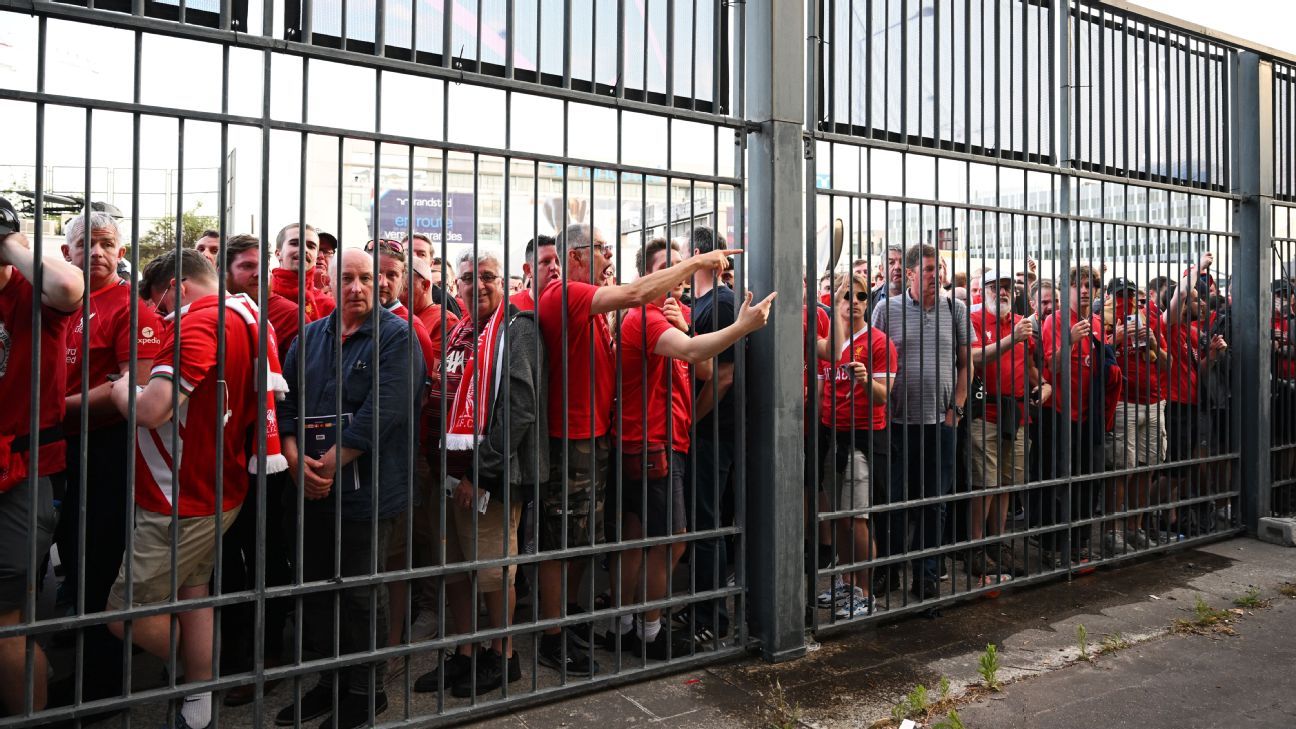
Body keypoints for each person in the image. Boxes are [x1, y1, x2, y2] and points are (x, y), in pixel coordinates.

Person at [535, 223, 733, 674]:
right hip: (576, 438)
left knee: (588, 542)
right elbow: (634, 295)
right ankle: (555, 636)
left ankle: (575, 625)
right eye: (603, 250)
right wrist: (699, 262)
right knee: (563, 541)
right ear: (579, 256)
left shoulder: (604, 305)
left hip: (599, 438)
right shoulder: (566, 292)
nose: (609, 258)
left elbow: (696, 368)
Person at [105, 249, 274, 729]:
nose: (159, 317)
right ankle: (198, 697)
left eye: (160, 306)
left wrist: (123, 389)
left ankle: (204, 675)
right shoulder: (245, 315)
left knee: (124, 614)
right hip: (213, 485)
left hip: (179, 495)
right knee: (193, 590)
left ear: (178, 287)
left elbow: (152, 409)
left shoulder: (200, 321)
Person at [275, 249, 424, 729]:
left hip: (369, 490)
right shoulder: (309, 337)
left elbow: (386, 410)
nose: (358, 287)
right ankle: (330, 680)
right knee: (318, 588)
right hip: (313, 483)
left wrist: (331, 463)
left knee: (361, 592)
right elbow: (288, 401)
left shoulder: (397, 336)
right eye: (348, 278)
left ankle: (366, 691)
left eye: (367, 278)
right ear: (329, 280)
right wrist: (298, 461)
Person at [604, 238, 774, 655]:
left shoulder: (671, 314)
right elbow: (695, 352)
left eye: (683, 267)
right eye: (671, 267)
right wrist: (741, 327)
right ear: (650, 276)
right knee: (671, 540)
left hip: (660, 439)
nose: (681, 276)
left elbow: (704, 369)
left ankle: (624, 626)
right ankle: (649, 634)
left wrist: (685, 327)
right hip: (652, 443)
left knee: (638, 536)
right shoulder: (644, 318)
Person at [413, 249, 546, 696]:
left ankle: (502, 656)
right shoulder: (460, 331)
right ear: (457, 287)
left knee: (492, 573)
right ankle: (467, 652)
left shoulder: (517, 329)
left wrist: (480, 473)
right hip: (445, 475)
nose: (479, 285)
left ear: (505, 283)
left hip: (488, 479)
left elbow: (520, 408)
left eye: (488, 276)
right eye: (469, 278)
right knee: (455, 571)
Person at [54, 212, 161, 709]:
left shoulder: (131, 308)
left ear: (122, 253)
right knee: (70, 555)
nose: (96, 253)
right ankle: (74, 645)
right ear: (67, 253)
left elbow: (130, 384)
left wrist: (52, 411)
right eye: (86, 244)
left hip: (107, 449)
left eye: (107, 244)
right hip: (57, 448)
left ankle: (101, 683)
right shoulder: (58, 303)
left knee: (99, 559)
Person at [0, 227, 84, 716]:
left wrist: (9, 242)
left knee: (8, 618)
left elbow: (70, 289)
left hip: (22, 473)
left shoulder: (35, 294)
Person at [218, 233, 299, 706]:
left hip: (267, 459)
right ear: (227, 271)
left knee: (268, 562)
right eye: (244, 267)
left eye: (258, 266)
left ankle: (267, 658)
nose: (254, 275)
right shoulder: (213, 315)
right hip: (222, 460)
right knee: (227, 565)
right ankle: (231, 658)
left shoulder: (277, 316)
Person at [871, 243, 970, 600]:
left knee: (934, 503)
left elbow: (965, 365)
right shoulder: (887, 309)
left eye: (938, 269)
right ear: (910, 273)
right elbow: (873, 356)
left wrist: (955, 411)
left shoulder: (955, 309)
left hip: (939, 423)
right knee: (894, 502)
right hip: (896, 422)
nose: (935, 276)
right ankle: (890, 570)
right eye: (928, 270)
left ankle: (926, 575)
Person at [813, 273, 895, 618]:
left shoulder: (878, 343)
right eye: (848, 296)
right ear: (836, 301)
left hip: (863, 438)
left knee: (858, 519)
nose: (856, 303)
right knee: (840, 519)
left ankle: (864, 591)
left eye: (862, 297)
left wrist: (864, 381)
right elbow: (820, 391)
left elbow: (882, 396)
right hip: (833, 438)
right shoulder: (830, 343)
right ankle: (846, 584)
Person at [967, 270, 1045, 580]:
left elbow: (1030, 365)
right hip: (984, 411)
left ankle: (997, 543)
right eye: (994, 287)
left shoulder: (1020, 322)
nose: (1001, 292)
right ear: (983, 290)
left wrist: (1043, 384)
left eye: (1006, 287)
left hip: (1016, 413)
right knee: (982, 484)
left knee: (1005, 483)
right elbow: (972, 358)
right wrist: (1010, 339)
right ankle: (975, 548)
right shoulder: (974, 318)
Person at [1037, 265, 1114, 565]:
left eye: (1089, 285)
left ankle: (1080, 542)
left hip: (1086, 415)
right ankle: (1052, 546)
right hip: (1057, 413)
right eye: (1077, 284)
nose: (1084, 290)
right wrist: (1068, 339)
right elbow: (1051, 367)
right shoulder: (1054, 321)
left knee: (1086, 479)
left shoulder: (1096, 322)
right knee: (1056, 482)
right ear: (1065, 289)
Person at [1103, 277, 1169, 553]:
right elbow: (1092, 359)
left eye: (1131, 294)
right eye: (1120, 295)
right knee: (1120, 469)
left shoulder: (1148, 318)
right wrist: (1113, 339)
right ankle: (1111, 532)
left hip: (1154, 403)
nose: (1126, 300)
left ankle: (1134, 528)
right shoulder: (1102, 320)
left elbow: (1167, 363)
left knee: (1147, 467)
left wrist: (1153, 341)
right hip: (1123, 403)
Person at [225, 233, 302, 349]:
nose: (259, 274)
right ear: (223, 272)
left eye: (264, 266)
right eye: (247, 266)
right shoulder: (211, 309)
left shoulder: (290, 316)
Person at [270, 223, 334, 321]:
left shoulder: (329, 306)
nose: (304, 249)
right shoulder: (259, 296)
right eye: (294, 243)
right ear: (278, 253)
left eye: (311, 246)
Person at [514, 235, 560, 312]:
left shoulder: (575, 306)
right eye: (546, 261)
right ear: (528, 270)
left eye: (558, 261)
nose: (554, 267)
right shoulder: (509, 305)